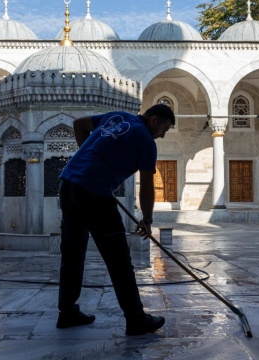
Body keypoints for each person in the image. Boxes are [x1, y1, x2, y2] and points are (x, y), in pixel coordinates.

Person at [56, 104, 175, 336]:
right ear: (152, 120)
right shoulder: (145, 139)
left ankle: (67, 312)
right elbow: (147, 186)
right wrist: (147, 220)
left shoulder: (117, 116)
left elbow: (79, 125)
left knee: (72, 254)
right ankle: (136, 319)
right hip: (94, 195)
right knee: (119, 259)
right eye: (164, 129)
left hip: (69, 186)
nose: (162, 135)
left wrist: (91, 161)